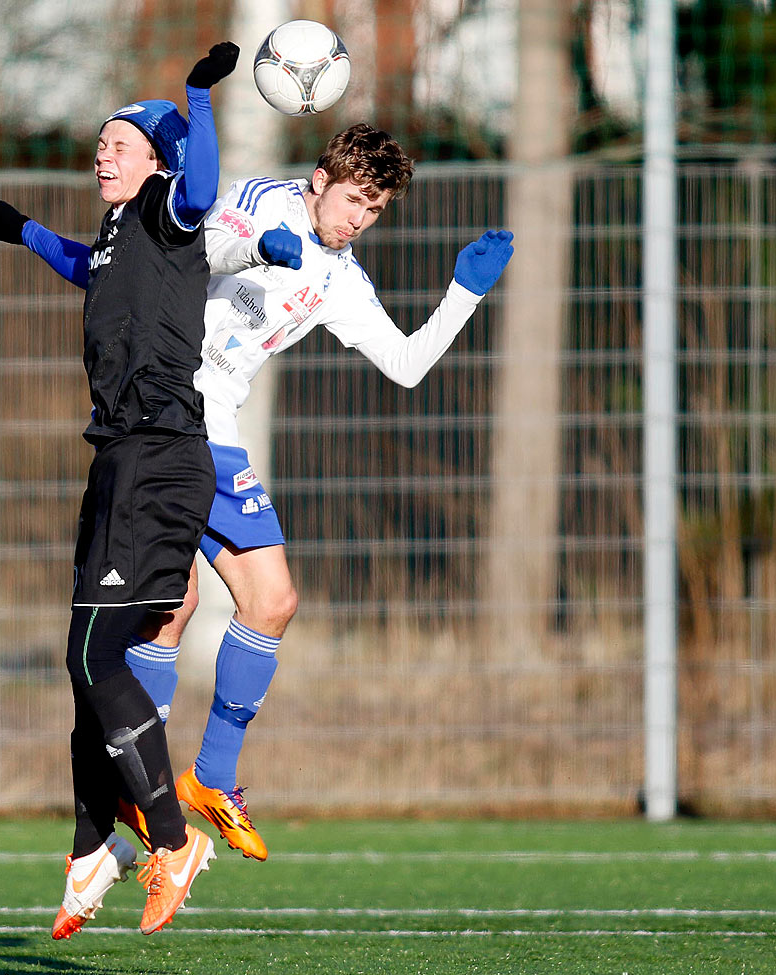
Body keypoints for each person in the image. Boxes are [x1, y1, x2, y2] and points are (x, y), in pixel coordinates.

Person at [116, 124, 515, 862]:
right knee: (203, 605)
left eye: (375, 208)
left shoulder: (343, 277)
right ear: (319, 179)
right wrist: (257, 249)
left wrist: (464, 292)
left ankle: (199, 781)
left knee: (243, 605)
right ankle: (142, 784)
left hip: (211, 422)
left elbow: (403, 365)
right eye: (354, 198)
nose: (358, 218)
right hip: (170, 406)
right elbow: (188, 250)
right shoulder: (263, 200)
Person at [0, 42, 240, 938]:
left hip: (159, 458)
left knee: (93, 657)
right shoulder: (122, 233)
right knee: (86, 662)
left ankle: (168, 841)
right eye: (99, 140)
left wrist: (197, 101)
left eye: (117, 140)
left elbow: (201, 183)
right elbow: (88, 268)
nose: (102, 151)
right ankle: (91, 848)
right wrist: (24, 233)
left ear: (155, 156)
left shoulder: (168, 206)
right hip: (121, 459)